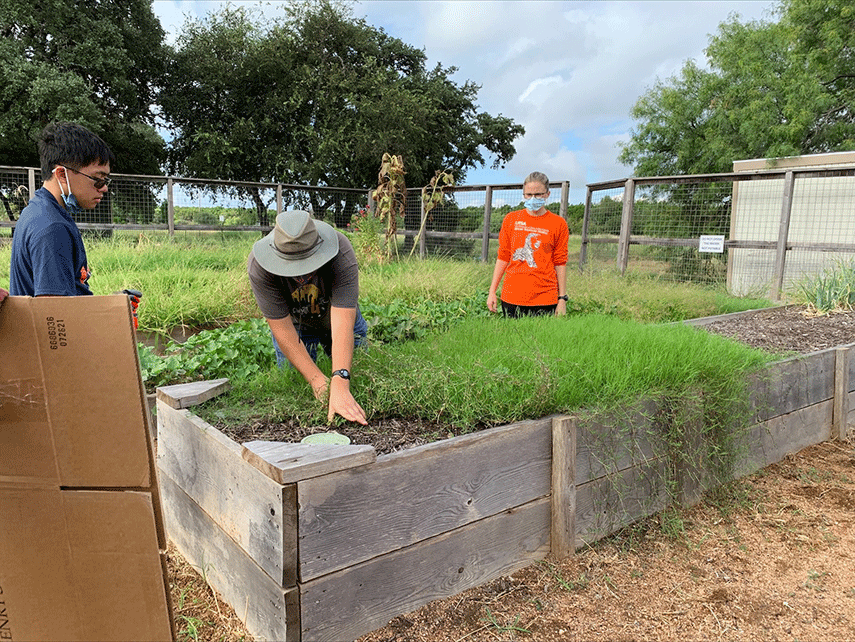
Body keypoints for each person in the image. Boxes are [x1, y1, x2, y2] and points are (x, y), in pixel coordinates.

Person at [249, 209, 369, 425]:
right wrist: (318, 381)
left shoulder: (341, 251)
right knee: (295, 385)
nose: (301, 275)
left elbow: (343, 321)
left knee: (360, 380)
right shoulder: (260, 267)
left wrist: (340, 381)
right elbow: (282, 328)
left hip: (335, 318)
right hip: (297, 326)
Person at [9, 122, 114, 297]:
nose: (104, 188)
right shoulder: (52, 228)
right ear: (61, 175)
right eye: (98, 179)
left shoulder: (37, 211)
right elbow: (57, 317)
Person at [487, 171, 570, 317]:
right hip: (512, 296)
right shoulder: (511, 219)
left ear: (547, 194)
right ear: (524, 195)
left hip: (545, 298)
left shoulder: (558, 224)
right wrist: (492, 291)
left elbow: (560, 261)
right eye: (528, 195)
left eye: (538, 194)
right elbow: (503, 256)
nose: (533, 198)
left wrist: (562, 298)